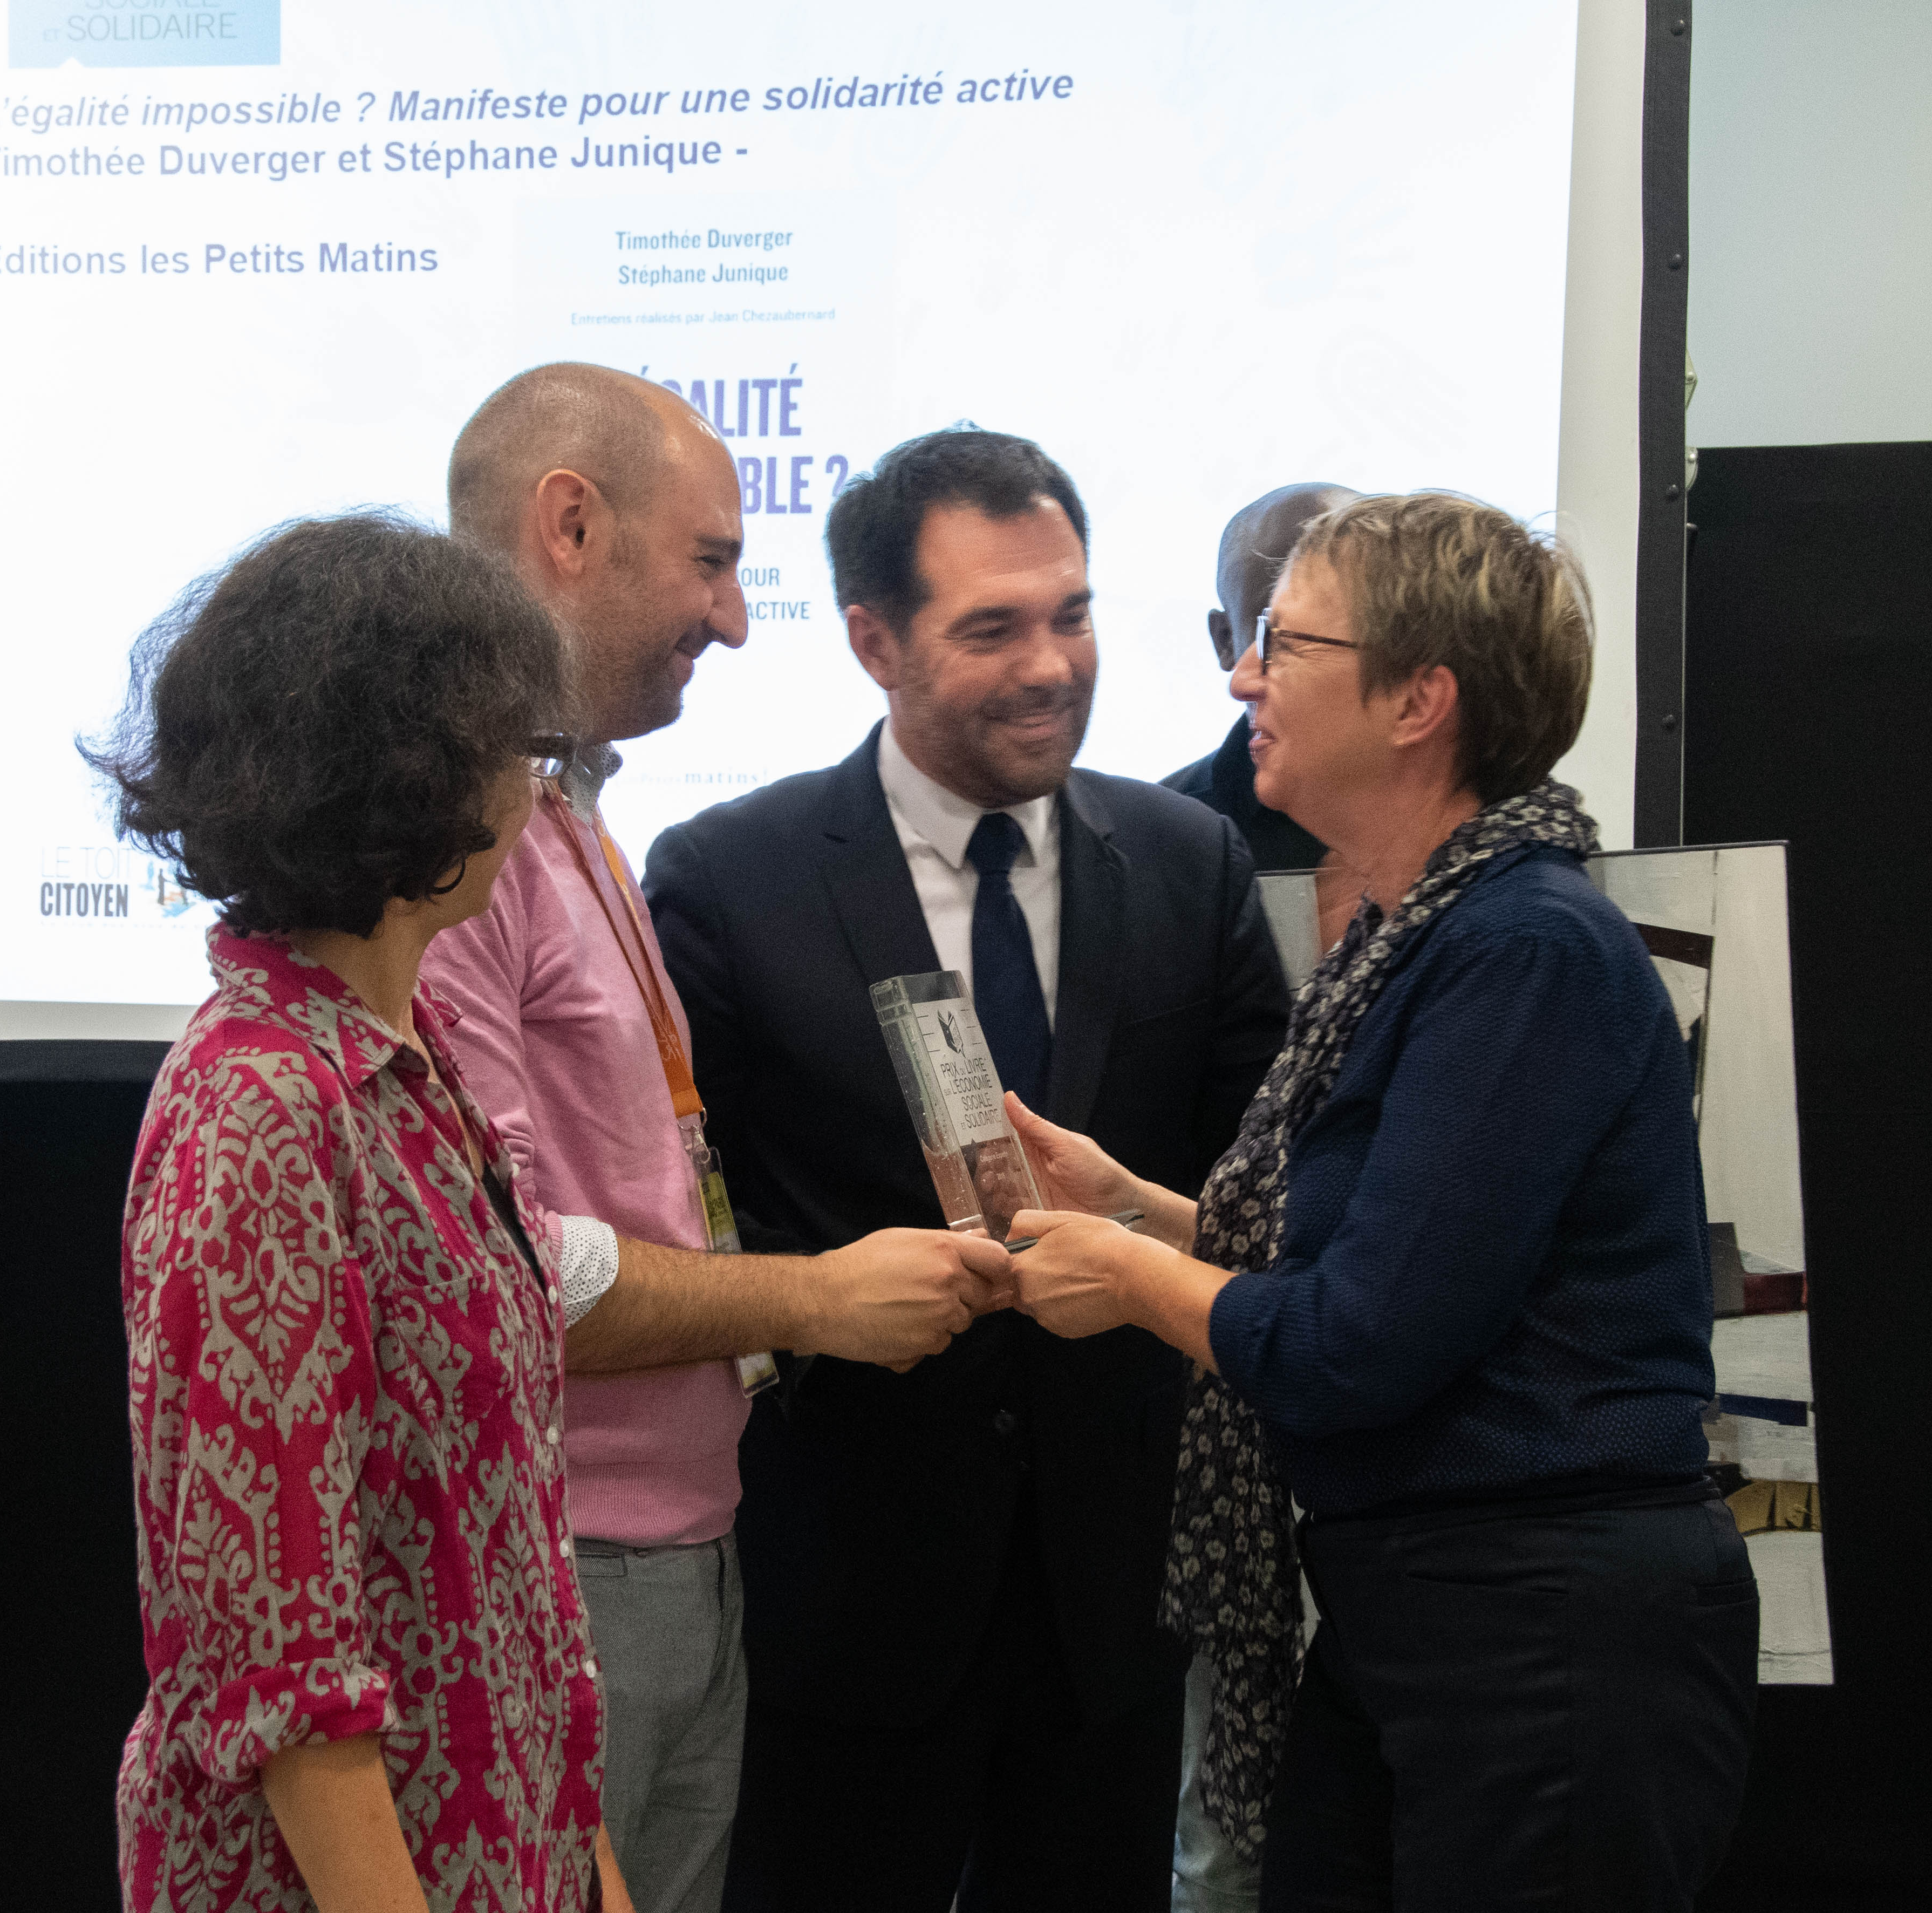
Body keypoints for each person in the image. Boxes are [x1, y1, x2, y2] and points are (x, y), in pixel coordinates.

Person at [1008, 491, 1758, 1911]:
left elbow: (1353, 1345)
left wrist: (1120, 1275)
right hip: (1433, 1620)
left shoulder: (1519, 951)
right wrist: (1141, 1207)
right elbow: (1365, 1253)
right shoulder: (1425, 932)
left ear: (1418, 699)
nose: (1241, 678)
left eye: (1283, 645)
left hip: (1543, 1646)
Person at [643, 428, 1292, 1910]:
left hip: (1112, 1596)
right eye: (991, 627)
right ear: (872, 641)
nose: (1052, 663)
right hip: (845, 1593)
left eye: (1069, 614)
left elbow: (1261, 1189)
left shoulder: (1186, 863)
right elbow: (685, 1209)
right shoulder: (726, 878)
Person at [425, 365, 1008, 1913]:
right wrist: (818, 1301)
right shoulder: (441, 852)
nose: (739, 619)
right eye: (711, 561)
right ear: (568, 524)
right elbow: (502, 1272)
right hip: (562, 1560)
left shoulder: (565, 816)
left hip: (676, 1550)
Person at [97, 514, 628, 1911]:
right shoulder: (264, 1105)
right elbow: (284, 1670)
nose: (537, 787)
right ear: (424, 775)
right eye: (516, 749)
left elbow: (508, 1573)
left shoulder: (399, 1066)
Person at [1154, 478, 1355, 1913]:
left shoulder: (1505, 909)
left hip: (1386, 1423)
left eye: (1307, 638)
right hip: (1208, 1383)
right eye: (1259, 631)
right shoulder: (1157, 847)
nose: (1259, 676)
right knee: (1203, 1805)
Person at [1162, 481, 1358, 873]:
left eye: (1353, 616)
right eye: (1279, 633)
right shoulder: (1163, 837)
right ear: (1225, 641)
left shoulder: (1483, 804)